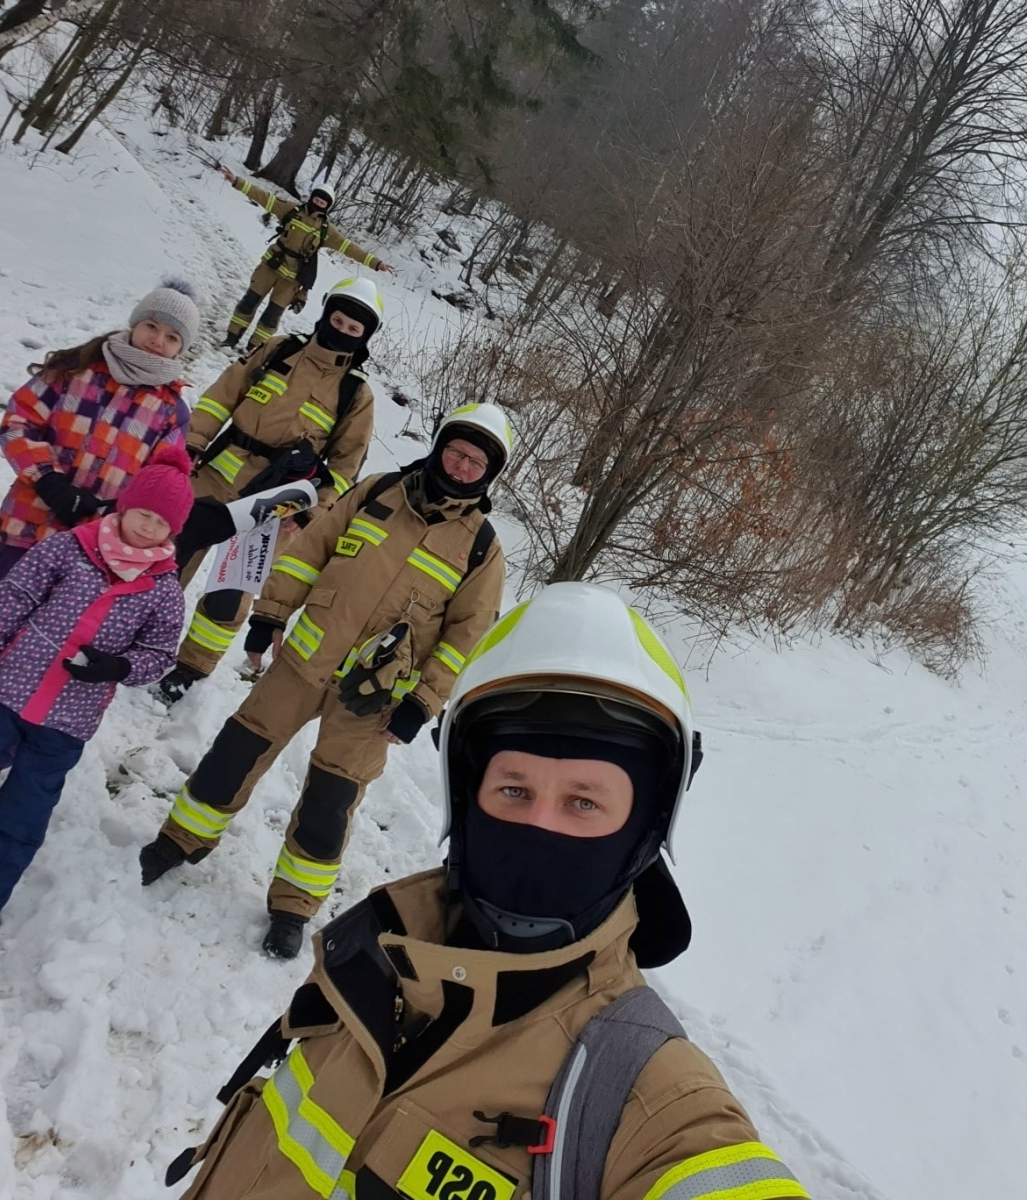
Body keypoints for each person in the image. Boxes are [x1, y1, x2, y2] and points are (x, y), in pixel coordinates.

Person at [162, 582, 812, 1200]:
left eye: (584, 802)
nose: (540, 825)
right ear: (467, 797)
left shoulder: (646, 1097)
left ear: (644, 829)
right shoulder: (380, 955)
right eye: (513, 789)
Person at [140, 404, 513, 960]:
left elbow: (468, 638)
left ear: (488, 474)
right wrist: (270, 615)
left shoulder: (481, 549)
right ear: (440, 448)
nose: (461, 466)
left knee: (330, 801)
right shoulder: (378, 492)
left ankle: (293, 907)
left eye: (475, 462)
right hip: (302, 663)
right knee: (235, 752)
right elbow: (309, 552)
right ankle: (178, 840)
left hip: (374, 699)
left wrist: (422, 702)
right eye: (456, 452)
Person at [0, 279, 198, 792]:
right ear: (135, 322)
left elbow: (163, 477)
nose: (157, 341)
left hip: (90, 552)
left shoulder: (172, 411)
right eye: (152, 326)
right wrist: (48, 479)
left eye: (172, 337)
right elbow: (17, 422)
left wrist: (116, 510)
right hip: (26, 526)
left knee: (36, 653)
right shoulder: (74, 370)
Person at [0, 447, 193, 940]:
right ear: (124, 505)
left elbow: (159, 654)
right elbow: (10, 601)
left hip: (66, 723)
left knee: (22, 817)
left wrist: (119, 666)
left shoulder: (163, 591)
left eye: (162, 523)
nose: (148, 527)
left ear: (173, 532)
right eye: (143, 513)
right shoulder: (71, 548)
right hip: (2, 694)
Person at [155, 278, 381, 705]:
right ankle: (139, 634)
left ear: (364, 336)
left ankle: (191, 667)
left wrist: (312, 512)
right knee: (167, 556)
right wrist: (192, 443)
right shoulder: (280, 349)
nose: (342, 331)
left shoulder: (356, 394)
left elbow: (345, 466)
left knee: (230, 593)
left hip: (275, 503)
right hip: (216, 475)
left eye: (354, 329)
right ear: (325, 315)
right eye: (337, 320)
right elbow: (222, 397)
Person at [218, 167, 395, 350]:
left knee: (272, 316)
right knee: (249, 302)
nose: (318, 203)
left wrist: (376, 263)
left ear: (327, 207)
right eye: (316, 199)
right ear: (311, 198)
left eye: (323, 203)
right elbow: (265, 198)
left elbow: (349, 248)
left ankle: (253, 349)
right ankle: (232, 337)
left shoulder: (326, 230)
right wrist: (237, 182)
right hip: (270, 266)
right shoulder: (291, 210)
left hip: (292, 279)